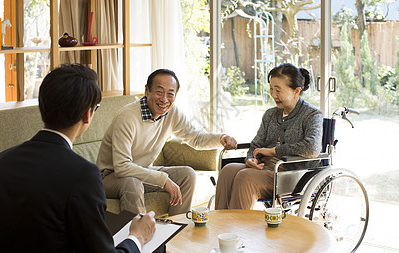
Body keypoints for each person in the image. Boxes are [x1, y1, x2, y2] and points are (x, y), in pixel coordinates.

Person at [0, 64, 167, 253]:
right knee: (156, 251)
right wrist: (137, 237)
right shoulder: (82, 173)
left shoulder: (2, 161)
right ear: (87, 114)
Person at [96, 69, 237, 216]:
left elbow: (196, 138)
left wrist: (221, 138)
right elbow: (121, 167)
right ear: (147, 91)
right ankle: (137, 236)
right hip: (109, 176)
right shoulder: (127, 117)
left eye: (170, 94)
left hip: (141, 170)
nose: (164, 99)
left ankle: (176, 229)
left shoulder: (171, 113)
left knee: (187, 175)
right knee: (132, 183)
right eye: (159, 92)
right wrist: (163, 180)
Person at [215, 63, 323, 210]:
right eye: (271, 88)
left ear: (296, 91)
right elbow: (255, 144)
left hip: (291, 176)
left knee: (245, 177)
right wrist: (251, 159)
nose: (273, 94)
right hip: (266, 169)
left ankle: (239, 230)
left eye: (278, 90)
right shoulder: (271, 114)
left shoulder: (312, 115)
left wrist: (274, 151)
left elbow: (312, 148)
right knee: (228, 170)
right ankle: (221, 226)